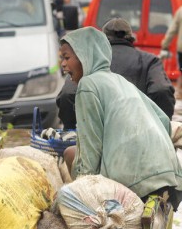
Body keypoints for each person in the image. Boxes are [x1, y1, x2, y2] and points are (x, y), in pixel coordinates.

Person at [59, 26, 182, 203]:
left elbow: (90, 149)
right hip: (171, 178)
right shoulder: (120, 81)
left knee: (70, 154)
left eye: (67, 57)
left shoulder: (88, 85)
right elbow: (162, 119)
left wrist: (83, 193)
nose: (63, 64)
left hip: (133, 183)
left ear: (85, 56)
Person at [57, 18, 175, 128]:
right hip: (142, 133)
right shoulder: (149, 61)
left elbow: (67, 95)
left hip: (98, 135)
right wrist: (159, 127)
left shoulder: (88, 61)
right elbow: (162, 90)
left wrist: (73, 129)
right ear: (131, 39)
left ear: (101, 40)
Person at [159, 5, 182, 97]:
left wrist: (165, 44)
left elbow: (172, 30)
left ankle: (179, 93)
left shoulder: (180, 11)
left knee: (181, 71)